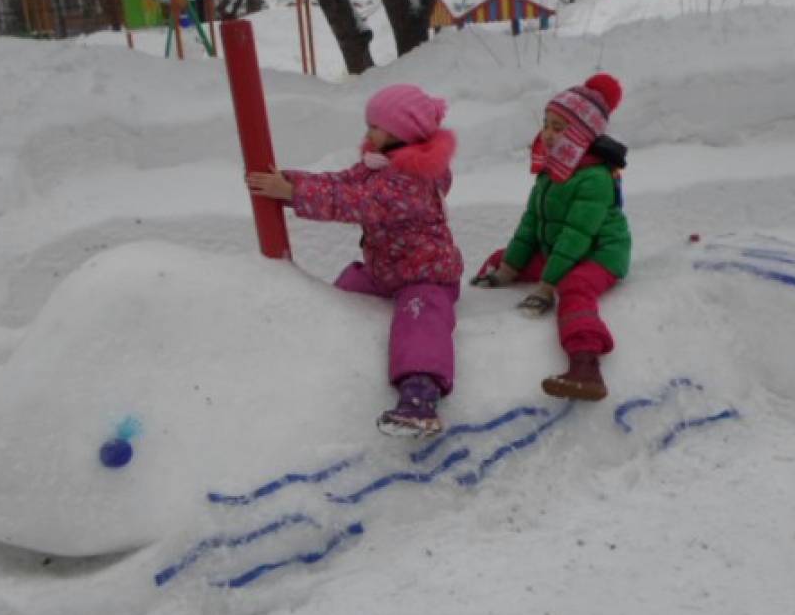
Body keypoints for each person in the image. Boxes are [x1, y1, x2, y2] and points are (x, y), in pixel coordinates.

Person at [247, 84, 463, 437]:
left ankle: (419, 395)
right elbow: (341, 182)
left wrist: (294, 194)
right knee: (345, 289)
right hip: (386, 271)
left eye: (374, 126)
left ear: (401, 131)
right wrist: (291, 181)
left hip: (427, 275)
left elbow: (355, 202)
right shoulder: (379, 165)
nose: (367, 133)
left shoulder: (411, 180)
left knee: (420, 320)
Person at [471, 73, 631, 401]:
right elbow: (532, 223)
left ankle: (585, 366)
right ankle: (498, 275)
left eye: (559, 128)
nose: (548, 133)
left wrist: (547, 287)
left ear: (583, 136)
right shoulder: (552, 170)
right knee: (504, 256)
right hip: (561, 249)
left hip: (599, 254)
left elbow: (576, 236)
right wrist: (508, 270)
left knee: (573, 288)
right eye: (547, 124)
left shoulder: (594, 179)